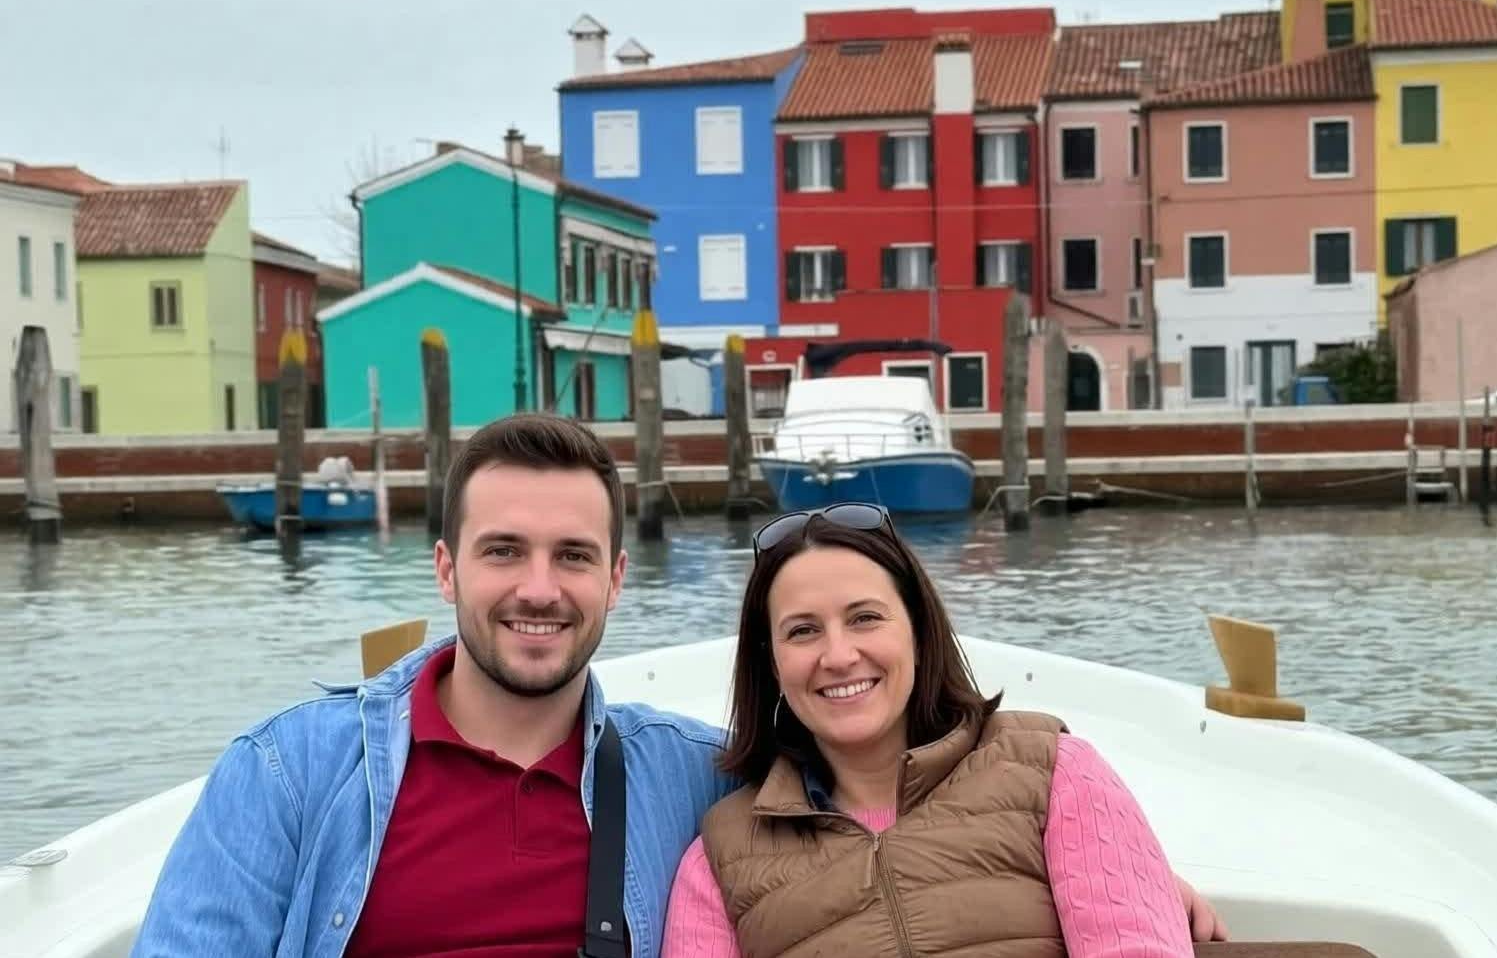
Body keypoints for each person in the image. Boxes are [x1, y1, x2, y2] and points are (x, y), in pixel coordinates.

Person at [133, 415, 1224, 957]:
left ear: (616, 576)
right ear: (445, 568)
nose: (537, 589)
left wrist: (1128, 860)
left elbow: (886, 775)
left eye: (571, 557)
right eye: (503, 550)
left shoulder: (683, 771)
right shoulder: (290, 770)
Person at [664, 502, 1194, 958]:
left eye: (865, 618)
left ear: (918, 630)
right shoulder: (720, 861)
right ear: (772, 663)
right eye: (803, 631)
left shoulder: (1054, 773)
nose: (840, 655)